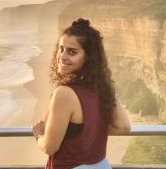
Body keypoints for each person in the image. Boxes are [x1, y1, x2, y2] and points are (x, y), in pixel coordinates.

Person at [32, 18, 131, 169]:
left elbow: (49, 147)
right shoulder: (103, 87)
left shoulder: (64, 94)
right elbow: (124, 126)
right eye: (61, 48)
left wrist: (38, 134)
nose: (63, 56)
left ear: (88, 57)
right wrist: (89, 131)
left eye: (72, 52)